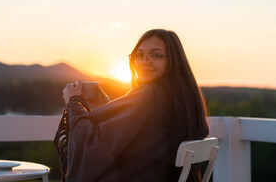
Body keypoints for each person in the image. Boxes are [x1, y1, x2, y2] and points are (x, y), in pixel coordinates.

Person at [54, 29, 209, 182]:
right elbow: (137, 130)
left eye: (155, 55)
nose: (144, 61)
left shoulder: (150, 94)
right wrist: (106, 104)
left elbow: (93, 146)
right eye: (139, 55)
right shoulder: (181, 96)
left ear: (173, 60)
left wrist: (73, 102)